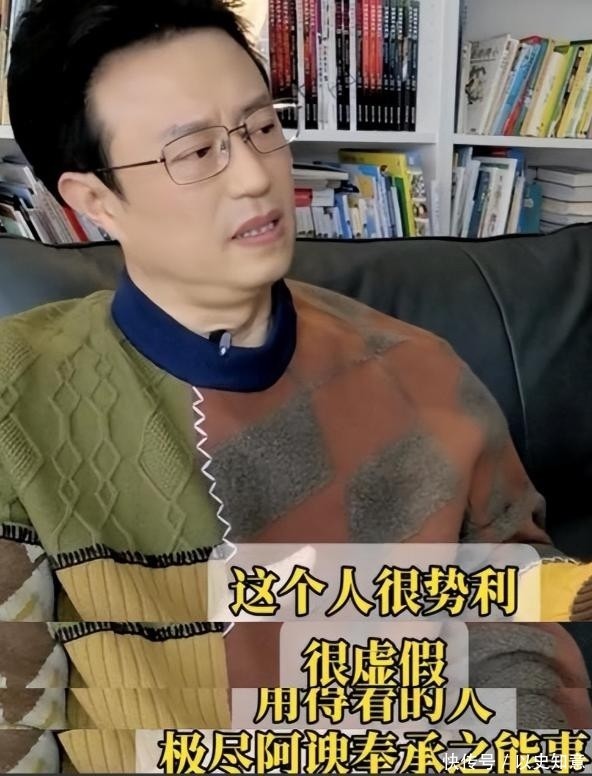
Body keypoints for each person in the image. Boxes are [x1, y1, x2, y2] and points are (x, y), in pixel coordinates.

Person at [0, 0, 591, 772]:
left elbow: (520, 628)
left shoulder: (423, 373)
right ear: (94, 200)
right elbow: (13, 718)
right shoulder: (20, 395)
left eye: (260, 127)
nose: (255, 175)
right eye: (196, 151)